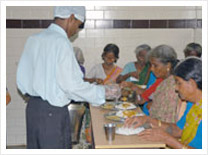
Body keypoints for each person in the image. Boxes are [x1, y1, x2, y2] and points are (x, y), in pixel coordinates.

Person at [16, 6, 109, 149]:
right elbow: (71, 86)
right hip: (52, 113)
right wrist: (104, 92)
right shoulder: (61, 42)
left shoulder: (34, 39)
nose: (75, 32)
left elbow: (22, 79)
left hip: (33, 109)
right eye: (78, 26)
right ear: (71, 17)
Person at [125, 57, 202, 149]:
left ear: (192, 83)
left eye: (179, 83)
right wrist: (147, 120)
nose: (176, 88)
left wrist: (168, 139)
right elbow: (179, 130)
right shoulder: (192, 104)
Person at [122, 45, 182, 123]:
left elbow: (167, 120)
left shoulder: (173, 86)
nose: (151, 69)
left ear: (168, 65)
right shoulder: (163, 81)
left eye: (155, 65)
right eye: (151, 65)